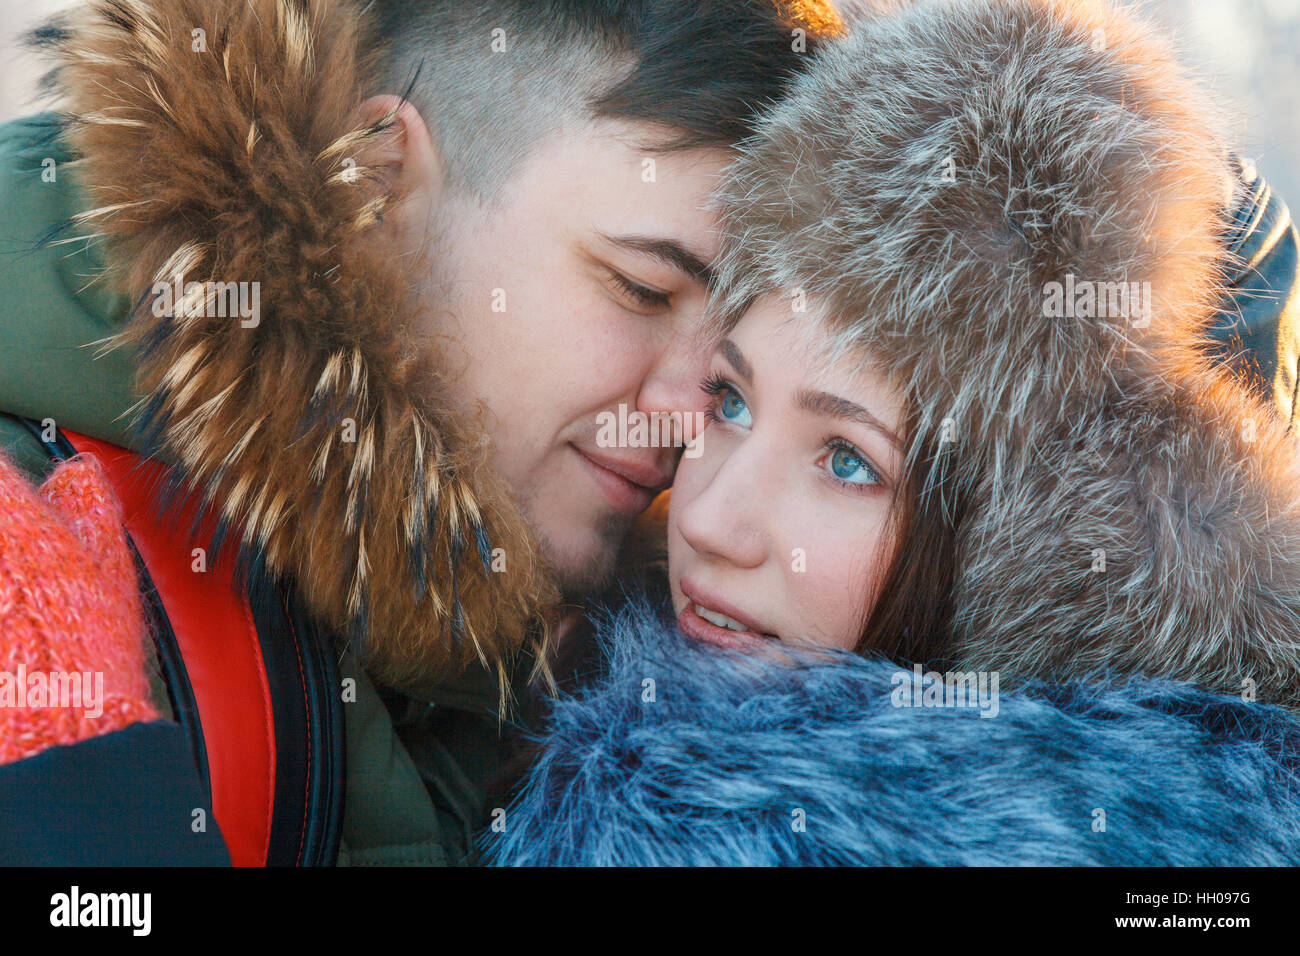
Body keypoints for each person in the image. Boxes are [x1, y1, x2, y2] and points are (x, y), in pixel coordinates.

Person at [0, 0, 845, 864]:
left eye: (730, 360)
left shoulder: (584, 640)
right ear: (378, 181)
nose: (688, 416)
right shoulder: (29, 562)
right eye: (643, 290)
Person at [483, 0, 1300, 865]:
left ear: (1036, 565)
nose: (705, 519)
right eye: (730, 403)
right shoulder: (543, 691)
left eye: (846, 461)